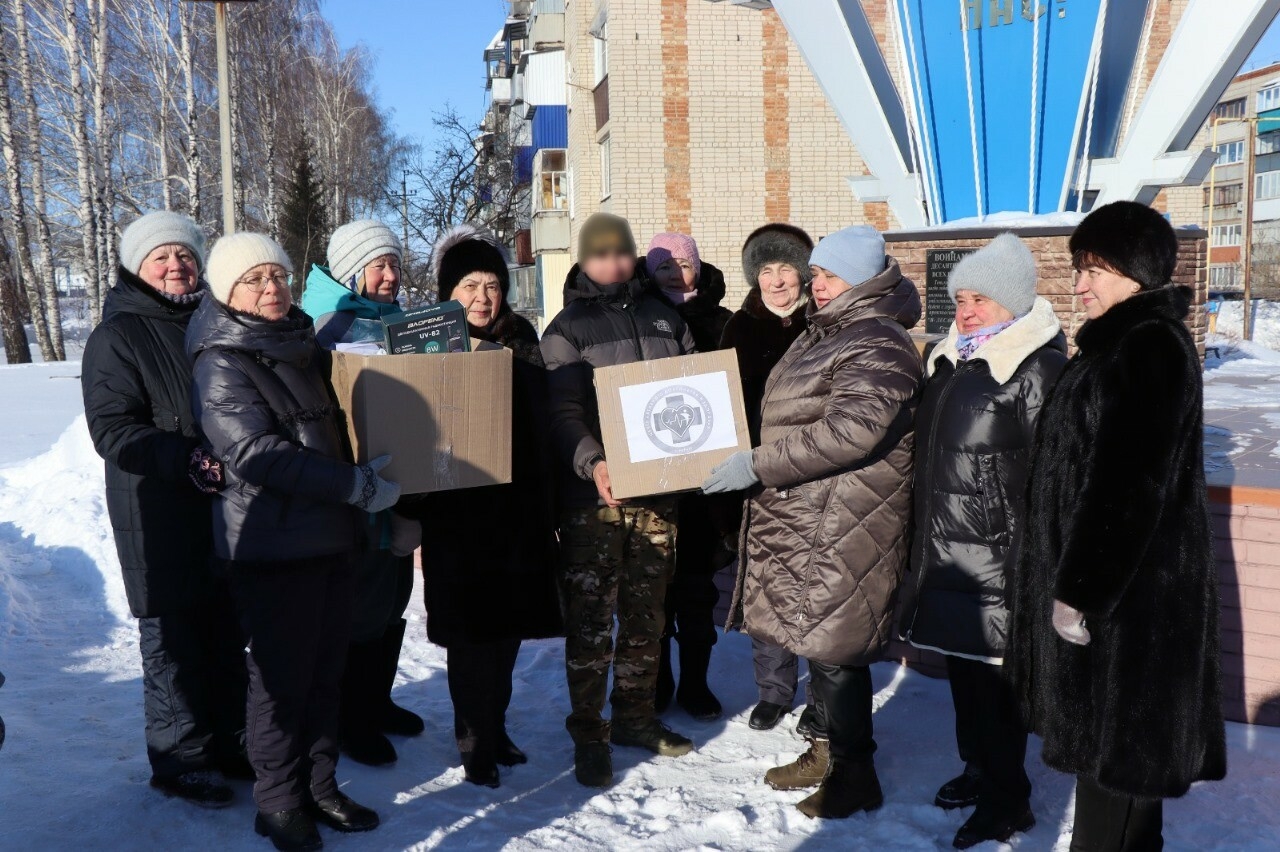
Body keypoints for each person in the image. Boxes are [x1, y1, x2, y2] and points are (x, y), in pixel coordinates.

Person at [1008, 201, 1226, 851]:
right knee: (1121, 763)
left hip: (1127, 603)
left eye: (1096, 269)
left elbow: (1131, 481)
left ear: (1137, 272)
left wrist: (1082, 590)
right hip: (1113, 594)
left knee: (1115, 761)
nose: (1080, 284)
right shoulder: (1112, 346)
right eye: (1080, 268)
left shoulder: (1149, 346)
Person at [705, 225, 922, 819]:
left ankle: (856, 775)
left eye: (826, 276)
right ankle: (824, 750)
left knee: (836, 654)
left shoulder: (876, 340)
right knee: (821, 646)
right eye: (817, 275)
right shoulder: (833, 331)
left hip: (847, 518)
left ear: (859, 280)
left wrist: (756, 463)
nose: (814, 285)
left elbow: (852, 431)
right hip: (813, 515)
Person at [188, 233, 395, 851]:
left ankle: (321, 786)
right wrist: (353, 486)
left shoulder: (297, 344)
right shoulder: (221, 359)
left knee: (327, 673)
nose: (271, 288)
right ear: (228, 292)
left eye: (277, 275)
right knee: (281, 683)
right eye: (254, 279)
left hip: (327, 537)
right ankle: (277, 804)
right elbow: (254, 453)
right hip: (272, 546)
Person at [896, 234, 1066, 849]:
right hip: (948, 551)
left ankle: (1007, 801)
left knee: (998, 692)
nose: (967, 309)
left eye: (982, 298)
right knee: (966, 681)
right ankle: (980, 771)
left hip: (1002, 556)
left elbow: (1055, 475)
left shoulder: (1037, 368)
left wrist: (1040, 561)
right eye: (961, 297)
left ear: (1015, 302)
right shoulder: (950, 360)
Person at [82, 211, 248, 808]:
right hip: (157, 506)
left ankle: (233, 742)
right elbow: (112, 428)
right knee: (173, 637)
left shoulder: (213, 321)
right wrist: (185, 458)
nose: (175, 265)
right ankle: (182, 758)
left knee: (228, 629)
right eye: (161, 257)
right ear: (135, 267)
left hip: (223, 502)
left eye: (184, 255)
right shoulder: (118, 335)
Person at [396, 224, 562, 788]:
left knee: (508, 630)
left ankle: (496, 725)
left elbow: (543, 423)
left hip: (517, 512)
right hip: (458, 515)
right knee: (471, 637)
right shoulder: (426, 345)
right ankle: (474, 742)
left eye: (492, 285)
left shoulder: (523, 338)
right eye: (470, 286)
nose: (483, 298)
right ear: (448, 292)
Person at [540, 212, 697, 788]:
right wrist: (593, 461)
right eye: (600, 254)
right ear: (583, 261)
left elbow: (695, 397)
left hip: (658, 493)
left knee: (646, 613)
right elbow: (562, 414)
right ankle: (589, 731)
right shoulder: (566, 329)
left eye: (621, 252)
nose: (613, 263)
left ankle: (634, 716)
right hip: (595, 497)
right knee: (590, 620)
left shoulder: (666, 318)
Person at [300, 220, 424, 767]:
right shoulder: (331, 324)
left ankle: (378, 701)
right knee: (361, 608)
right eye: (379, 265)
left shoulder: (398, 319)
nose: (391, 275)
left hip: (399, 483)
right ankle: (352, 719)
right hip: (355, 490)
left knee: (393, 599)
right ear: (353, 270)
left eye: (394, 264)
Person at [718, 223, 816, 734]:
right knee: (767, 586)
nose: (777, 281)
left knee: (820, 588)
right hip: (755, 476)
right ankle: (775, 692)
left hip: (818, 474)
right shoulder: (738, 328)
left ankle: (822, 694)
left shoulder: (825, 325)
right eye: (766, 271)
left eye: (786, 269)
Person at [645, 232, 733, 721]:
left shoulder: (722, 322)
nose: (675, 271)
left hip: (703, 485)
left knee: (697, 594)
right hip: (652, 479)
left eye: (683, 262)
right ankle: (658, 682)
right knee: (653, 591)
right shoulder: (634, 316)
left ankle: (696, 683)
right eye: (663, 264)